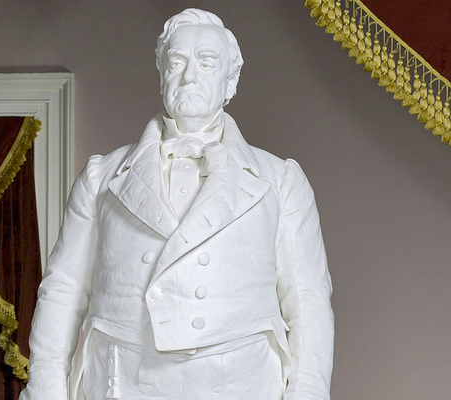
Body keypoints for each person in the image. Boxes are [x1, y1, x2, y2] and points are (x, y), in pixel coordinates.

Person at [20, 8, 334, 400]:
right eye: (177, 63)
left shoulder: (280, 182)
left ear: (230, 81)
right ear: (162, 74)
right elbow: (63, 292)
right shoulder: (101, 178)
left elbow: (308, 305)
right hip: (122, 383)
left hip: (244, 386)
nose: (189, 76)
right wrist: (45, 392)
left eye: (206, 62)